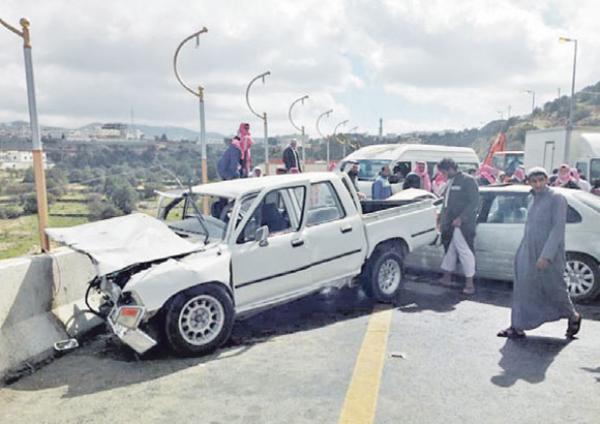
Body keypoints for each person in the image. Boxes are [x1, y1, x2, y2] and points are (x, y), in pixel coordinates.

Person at [497, 167, 581, 339]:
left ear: (546, 180)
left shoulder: (557, 198)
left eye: (541, 180)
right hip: (529, 251)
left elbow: (558, 230)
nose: (537, 184)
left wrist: (546, 256)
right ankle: (517, 326)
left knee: (554, 288)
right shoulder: (532, 198)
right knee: (523, 288)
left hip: (549, 254)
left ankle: (573, 315)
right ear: (529, 182)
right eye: (533, 181)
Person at [437, 158, 479, 295]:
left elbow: (474, 203)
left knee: (465, 252)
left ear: (450, 169)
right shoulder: (450, 182)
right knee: (450, 251)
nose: (443, 175)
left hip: (463, 225)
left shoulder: (468, 180)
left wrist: (462, 218)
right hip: (450, 224)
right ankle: (446, 278)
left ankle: (470, 284)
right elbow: (446, 204)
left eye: (443, 172)